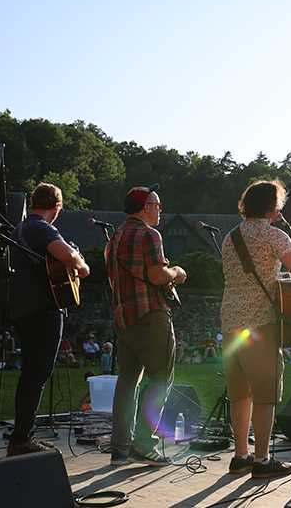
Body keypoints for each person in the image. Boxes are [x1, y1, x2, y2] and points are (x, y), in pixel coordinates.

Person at [6, 183, 90, 456]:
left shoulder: (20, 228)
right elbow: (67, 256)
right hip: (43, 309)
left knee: (31, 374)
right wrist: (81, 265)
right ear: (57, 207)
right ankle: (21, 438)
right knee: (36, 374)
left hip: (25, 308)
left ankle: (23, 435)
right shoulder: (41, 227)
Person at [220, 180, 291, 479]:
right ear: (271, 205)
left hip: (230, 322)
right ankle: (262, 461)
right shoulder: (274, 236)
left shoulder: (230, 237)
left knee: (239, 393)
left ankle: (240, 456)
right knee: (265, 394)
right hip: (260, 324)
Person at [105, 185, 186, 466]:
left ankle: (119, 448)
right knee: (162, 378)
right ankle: (144, 442)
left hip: (123, 319)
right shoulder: (150, 234)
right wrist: (177, 272)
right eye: (158, 205)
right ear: (145, 207)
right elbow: (156, 275)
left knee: (128, 380)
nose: (160, 210)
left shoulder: (113, 238)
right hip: (150, 316)